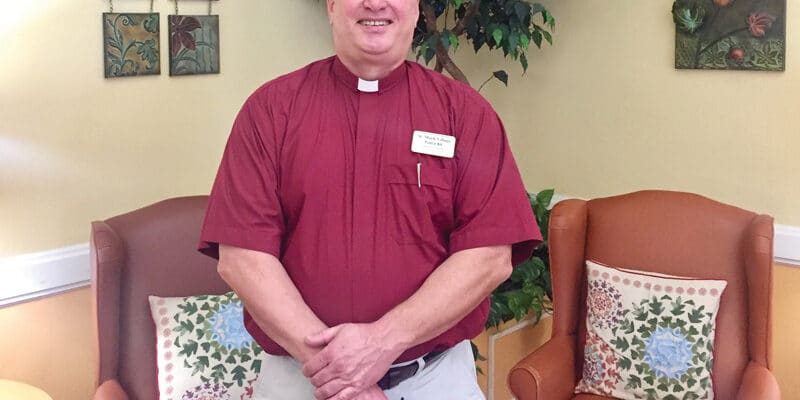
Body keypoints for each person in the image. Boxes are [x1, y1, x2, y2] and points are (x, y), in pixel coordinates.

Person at [198, 0, 541, 399]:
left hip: (433, 380)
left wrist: (381, 343)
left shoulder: (466, 114)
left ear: (415, 9)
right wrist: (341, 373)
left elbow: (489, 256)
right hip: (300, 378)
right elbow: (242, 258)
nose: (375, 3)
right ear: (330, 7)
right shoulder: (270, 111)